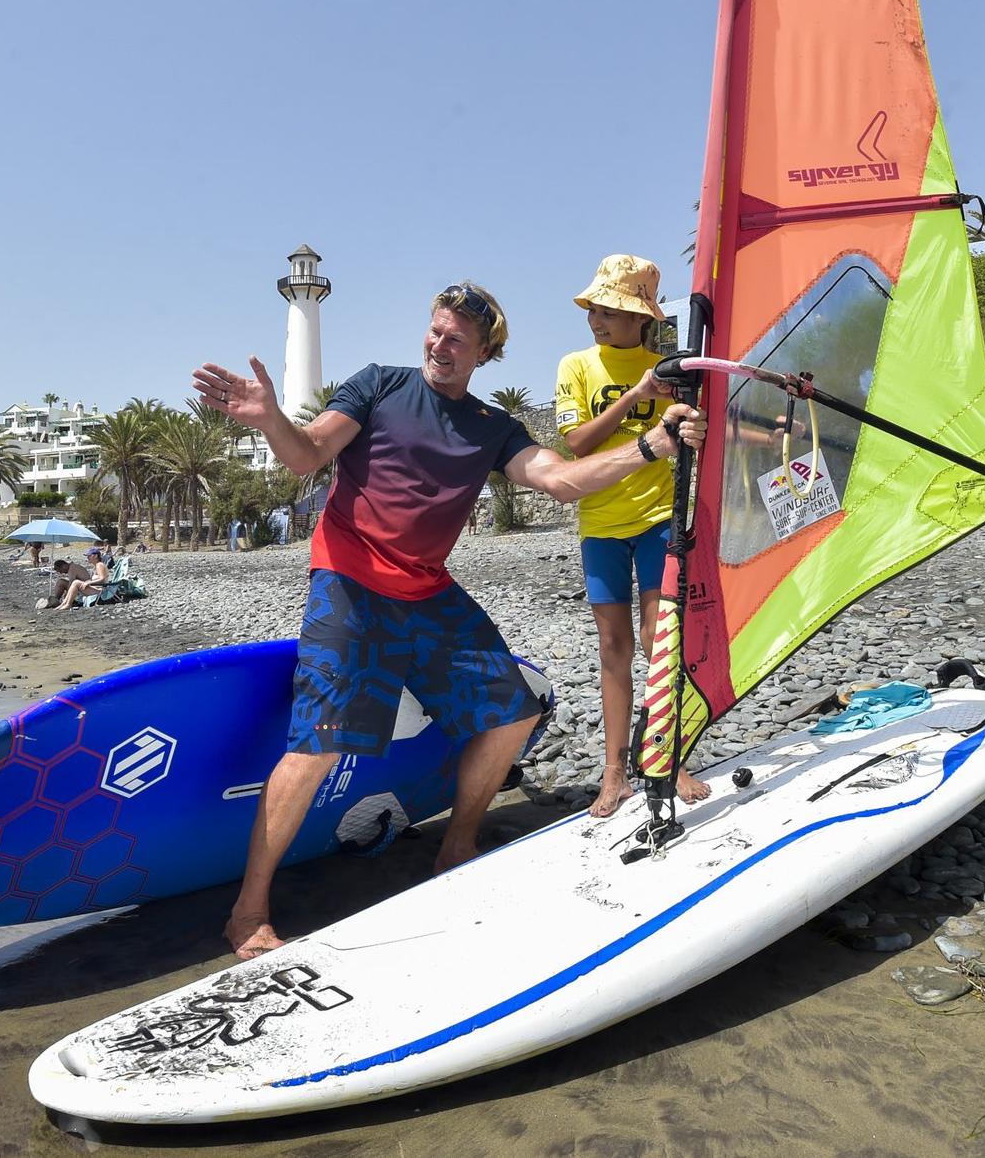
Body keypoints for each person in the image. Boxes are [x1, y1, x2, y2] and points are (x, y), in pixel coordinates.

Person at [194, 280, 706, 959]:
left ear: (484, 352)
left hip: (428, 593)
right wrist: (269, 420)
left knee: (514, 710)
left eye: (457, 338)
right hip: (348, 582)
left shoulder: (493, 427)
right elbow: (308, 453)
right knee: (318, 741)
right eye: (436, 331)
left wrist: (652, 447)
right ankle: (248, 910)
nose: (440, 344)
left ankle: (457, 844)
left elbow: (560, 478)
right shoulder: (378, 385)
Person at [556, 254, 712, 819]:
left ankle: (669, 758)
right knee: (613, 647)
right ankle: (614, 771)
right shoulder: (575, 365)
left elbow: (697, 430)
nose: (596, 319)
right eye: (593, 309)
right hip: (600, 526)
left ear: (640, 318)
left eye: (609, 310)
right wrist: (635, 393)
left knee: (657, 641)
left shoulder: (674, 368)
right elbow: (577, 444)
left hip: (656, 519)